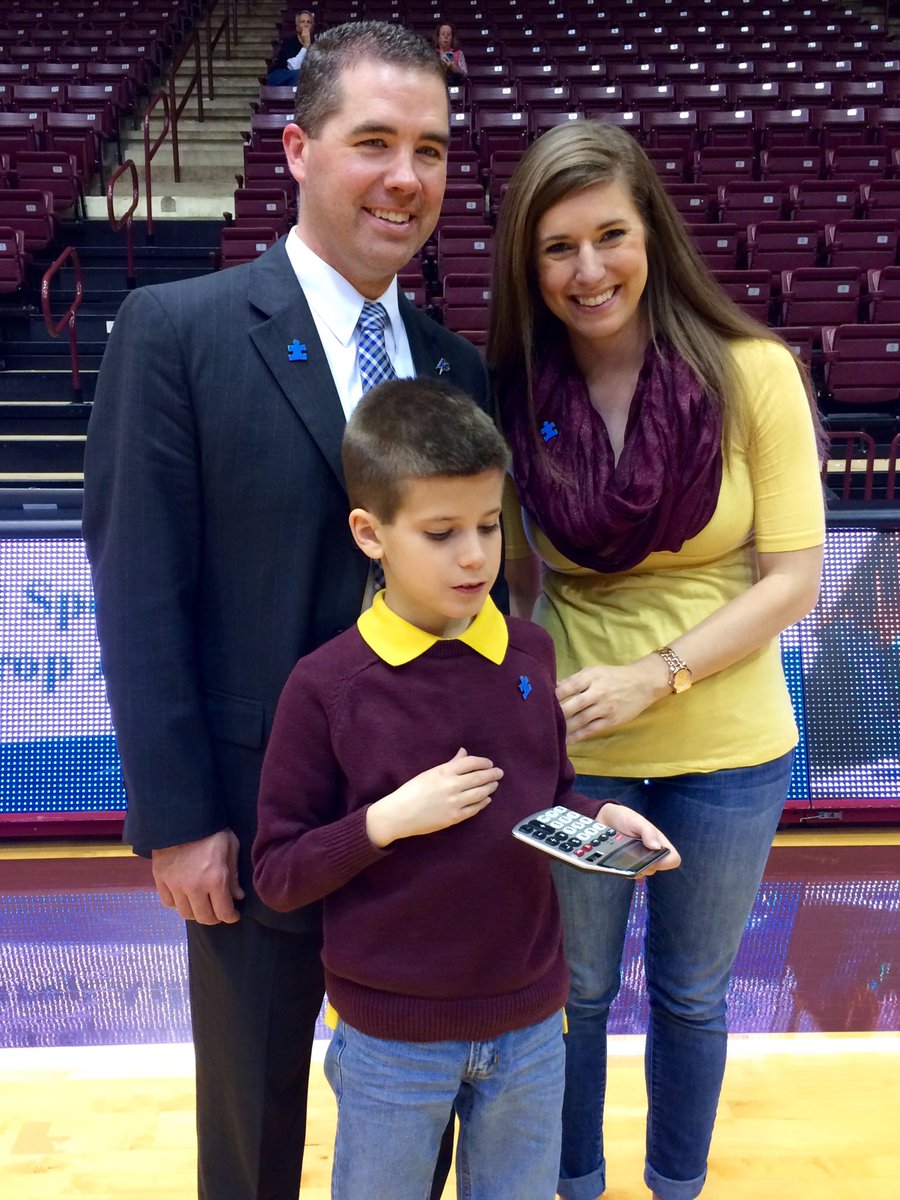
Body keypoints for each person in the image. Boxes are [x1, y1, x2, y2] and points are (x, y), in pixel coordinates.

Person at [83, 21, 494, 1200]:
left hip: (427, 826)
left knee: (416, 1138)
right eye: (374, 141)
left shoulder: (455, 370)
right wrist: (175, 817)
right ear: (297, 149)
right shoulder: (179, 333)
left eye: (430, 147)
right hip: (253, 826)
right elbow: (140, 592)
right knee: (253, 1138)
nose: (406, 176)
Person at [487, 119, 826, 1200]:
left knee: (690, 994)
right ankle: (573, 1185)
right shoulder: (514, 389)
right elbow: (512, 582)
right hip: (581, 754)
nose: (589, 271)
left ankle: (675, 1188)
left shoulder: (753, 372)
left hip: (729, 753)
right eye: (557, 248)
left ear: (653, 236)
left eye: (610, 236)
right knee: (575, 990)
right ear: (528, 266)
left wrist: (658, 672)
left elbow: (791, 581)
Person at [251, 378, 680, 1200]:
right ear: (370, 534)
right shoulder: (327, 685)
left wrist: (600, 818)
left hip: (528, 1026)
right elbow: (277, 872)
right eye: (442, 533)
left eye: (489, 525)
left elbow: (544, 800)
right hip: (391, 1039)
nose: (477, 556)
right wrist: (383, 822)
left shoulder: (529, 653)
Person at [266, 10, 314, 87]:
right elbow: (293, 67)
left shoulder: (316, 44)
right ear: (297, 27)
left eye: (309, 22)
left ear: (312, 27)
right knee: (301, 74)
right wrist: (306, 45)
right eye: (302, 22)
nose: (306, 24)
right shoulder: (289, 42)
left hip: (296, 80)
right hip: (278, 75)